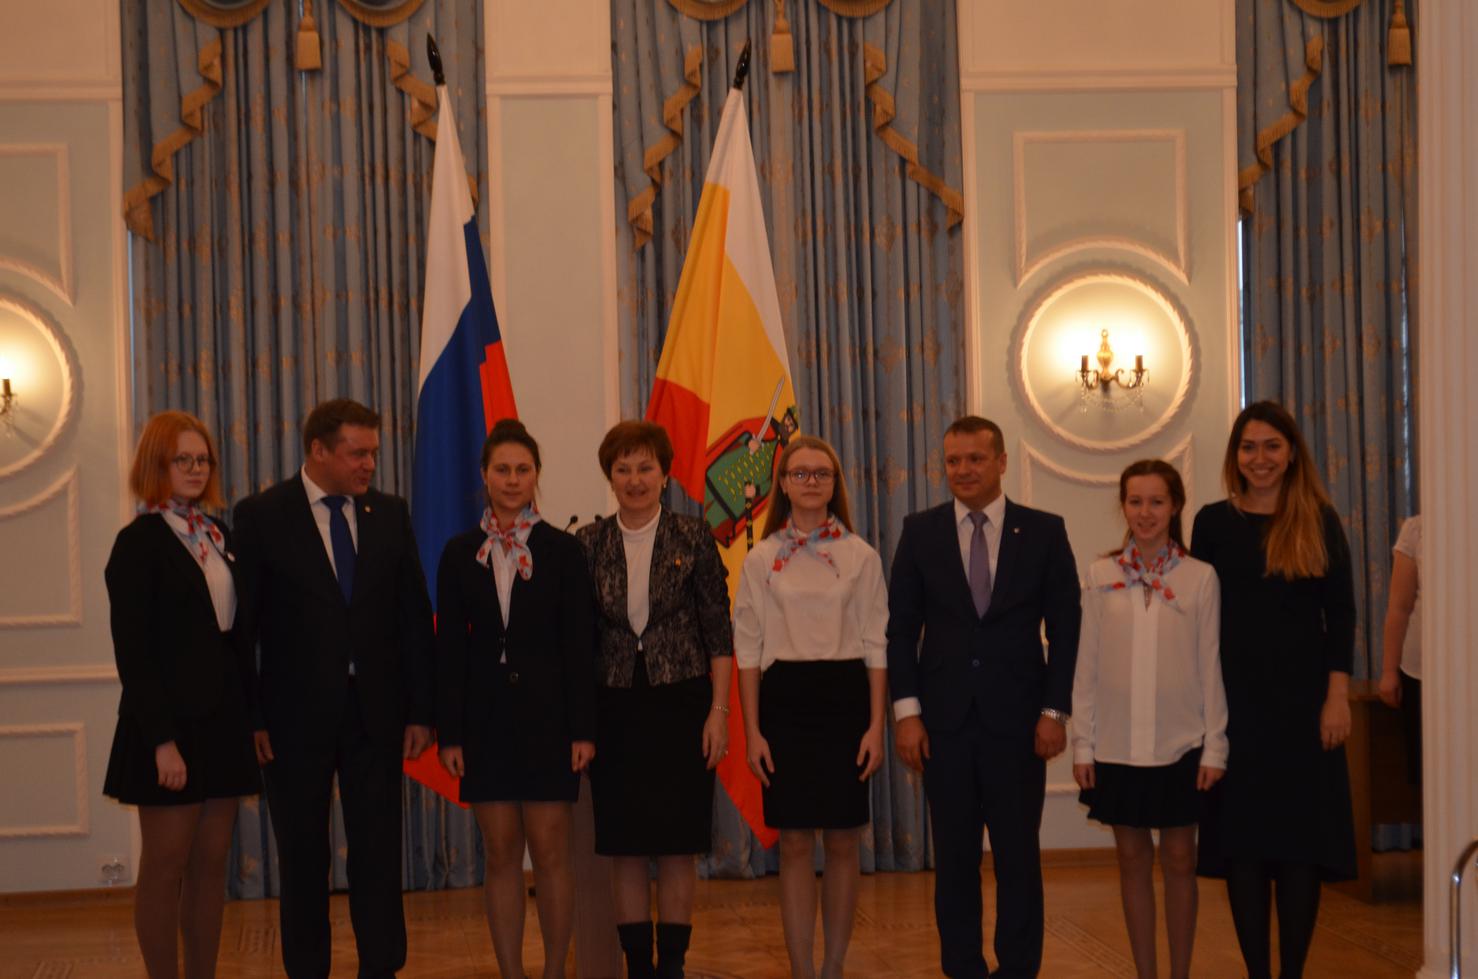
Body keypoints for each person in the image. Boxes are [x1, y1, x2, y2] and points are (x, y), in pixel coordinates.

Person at [233, 398, 435, 979]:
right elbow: (244, 628)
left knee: (378, 851)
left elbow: (413, 618)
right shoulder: (262, 516)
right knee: (303, 854)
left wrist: (421, 710)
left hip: (377, 714)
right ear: (318, 450)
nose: (369, 464)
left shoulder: (389, 513)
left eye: (373, 453)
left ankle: (381, 967)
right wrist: (253, 717)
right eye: (357, 453)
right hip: (292, 720)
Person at [886, 414, 1081, 979]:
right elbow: (901, 631)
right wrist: (907, 714)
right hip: (942, 727)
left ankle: (1018, 969)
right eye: (953, 460)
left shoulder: (1043, 531)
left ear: (1000, 462)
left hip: (1020, 727)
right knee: (954, 861)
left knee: (1018, 858)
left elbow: (1066, 629)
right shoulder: (919, 531)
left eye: (975, 458)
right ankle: (963, 968)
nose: (963, 469)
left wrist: (1054, 711)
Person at [1191, 400, 1357, 979]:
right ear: (1235, 455)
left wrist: (1337, 697)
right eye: (1248, 447)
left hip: (1304, 710)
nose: (1258, 458)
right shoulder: (1212, 523)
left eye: (1271, 446)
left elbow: (1341, 616)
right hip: (1234, 709)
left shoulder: (1319, 520)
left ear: (1290, 454)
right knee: (1243, 848)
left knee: (1298, 850)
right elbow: (1197, 617)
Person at [436, 419, 597, 979]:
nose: (512, 479)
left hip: (550, 722)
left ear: (536, 476)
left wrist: (583, 729)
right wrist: (450, 732)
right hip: (484, 724)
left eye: (522, 469)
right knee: (501, 852)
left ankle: (553, 971)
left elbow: (579, 646)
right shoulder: (459, 553)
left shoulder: (563, 551)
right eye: (502, 469)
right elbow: (449, 648)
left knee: (551, 851)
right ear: (484, 475)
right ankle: (512, 973)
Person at [103, 410, 259, 979]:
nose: (196, 469)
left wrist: (253, 720)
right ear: (157, 465)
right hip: (166, 727)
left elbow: (238, 640)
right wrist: (162, 741)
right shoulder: (137, 543)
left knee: (211, 866)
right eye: (183, 460)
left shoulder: (218, 536)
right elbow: (135, 654)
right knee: (165, 867)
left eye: (203, 460)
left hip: (223, 722)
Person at [575, 421, 733, 979]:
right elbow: (580, 640)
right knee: (624, 846)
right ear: (610, 477)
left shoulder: (694, 536)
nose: (635, 479)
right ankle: (638, 967)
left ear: (664, 474)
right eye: (623, 469)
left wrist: (719, 713)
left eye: (645, 467)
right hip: (614, 709)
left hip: (683, 706)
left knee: (675, 845)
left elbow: (719, 635)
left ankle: (673, 966)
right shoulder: (587, 543)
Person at [733, 435, 888, 979]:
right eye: (800, 473)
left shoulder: (861, 555)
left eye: (821, 473)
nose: (811, 482)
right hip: (784, 703)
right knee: (795, 843)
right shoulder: (761, 558)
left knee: (843, 841)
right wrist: (753, 731)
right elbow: (747, 650)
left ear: (834, 483)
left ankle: (833, 966)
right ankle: (802, 969)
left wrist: (876, 726)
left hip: (845, 701)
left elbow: (876, 645)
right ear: (782, 483)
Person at [1071, 459, 1227, 979]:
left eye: (1156, 501)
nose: (1145, 512)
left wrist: (1215, 746)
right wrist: (1083, 743)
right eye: (1135, 501)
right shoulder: (1101, 576)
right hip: (1117, 747)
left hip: (1181, 745)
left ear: (1175, 505)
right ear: (1124, 506)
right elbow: (1087, 667)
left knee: (1180, 861)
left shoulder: (1200, 578)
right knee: (1132, 860)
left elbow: (1210, 666)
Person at [1378, 514, 1422, 784]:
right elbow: (1399, 608)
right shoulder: (1416, 530)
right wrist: (1389, 671)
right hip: (1420, 674)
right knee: (1425, 772)